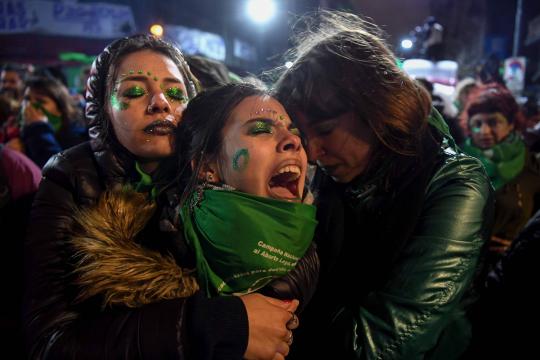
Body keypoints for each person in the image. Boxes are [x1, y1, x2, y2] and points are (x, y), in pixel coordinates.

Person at [23, 34, 296, 360]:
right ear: (101, 110)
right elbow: (50, 342)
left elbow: (293, 256)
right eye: (134, 92)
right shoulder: (70, 177)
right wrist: (206, 324)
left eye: (176, 93)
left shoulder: (219, 165)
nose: (159, 103)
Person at [273, 10, 493, 359]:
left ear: (376, 109)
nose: (313, 152)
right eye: (303, 136)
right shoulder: (337, 176)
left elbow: (384, 344)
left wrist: (275, 317)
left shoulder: (455, 184)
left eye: (326, 129)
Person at [461, 84, 540, 265]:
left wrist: (520, 244)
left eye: (493, 122)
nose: (484, 131)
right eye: (477, 124)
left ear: (511, 124)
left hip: (504, 271)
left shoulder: (532, 168)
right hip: (459, 267)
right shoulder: (456, 163)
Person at [12, 76, 87, 167]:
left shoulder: (78, 139)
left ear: (60, 109)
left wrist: (38, 128)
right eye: (27, 99)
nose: (29, 106)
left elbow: (57, 170)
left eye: (40, 101)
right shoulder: (20, 132)